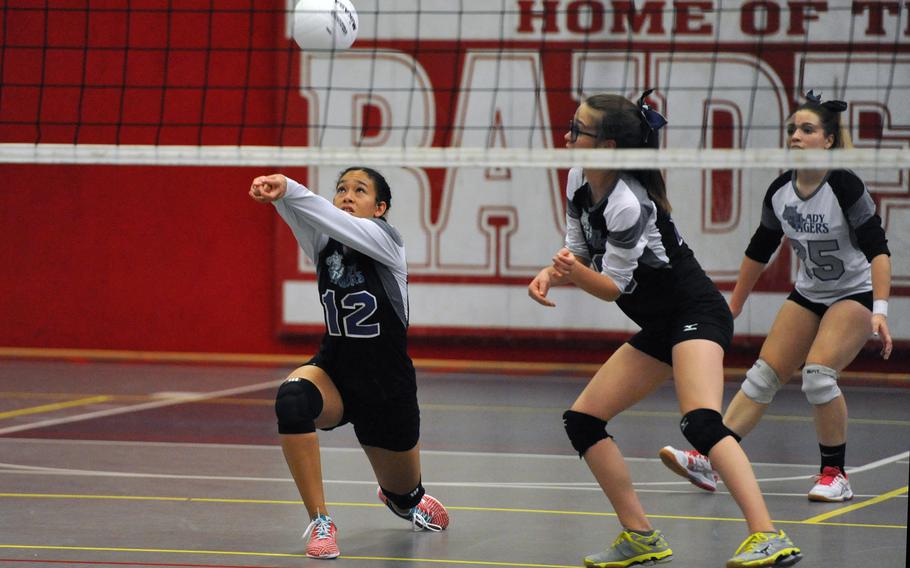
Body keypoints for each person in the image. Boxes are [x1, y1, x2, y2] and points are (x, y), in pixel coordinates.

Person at [528, 90, 802, 568]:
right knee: (583, 420)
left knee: (700, 421)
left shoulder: (629, 203)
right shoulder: (578, 178)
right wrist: (554, 271)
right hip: (660, 322)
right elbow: (580, 250)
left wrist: (571, 272)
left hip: (695, 312)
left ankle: (769, 535)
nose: (566, 135)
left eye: (578, 129)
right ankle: (640, 537)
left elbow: (611, 287)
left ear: (608, 146)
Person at [659, 91, 892, 503]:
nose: (796, 137)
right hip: (809, 292)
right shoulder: (780, 190)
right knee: (763, 376)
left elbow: (878, 249)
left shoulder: (844, 185)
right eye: (792, 130)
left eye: (807, 130)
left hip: (853, 293)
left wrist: (880, 309)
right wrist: (734, 303)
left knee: (818, 378)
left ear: (829, 140)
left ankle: (836, 474)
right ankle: (710, 458)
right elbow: (759, 249)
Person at [249, 168, 449, 559]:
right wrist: (279, 197)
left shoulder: (386, 240)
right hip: (336, 371)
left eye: (359, 190)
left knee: (404, 495)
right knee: (291, 400)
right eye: (341, 188)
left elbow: (321, 212)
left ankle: (405, 499)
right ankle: (321, 521)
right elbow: (307, 216)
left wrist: (291, 187)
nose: (346, 195)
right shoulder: (326, 241)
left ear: (380, 208)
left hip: (386, 386)